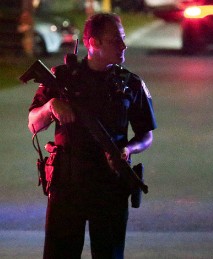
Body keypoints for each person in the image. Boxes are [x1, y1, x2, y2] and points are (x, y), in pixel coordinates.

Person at [27, 13, 157, 258]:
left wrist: (128, 149)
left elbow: (146, 135)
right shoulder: (61, 78)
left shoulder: (130, 84)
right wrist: (52, 106)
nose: (123, 46)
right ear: (93, 43)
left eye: (124, 39)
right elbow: (33, 123)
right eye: (115, 40)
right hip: (67, 183)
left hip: (110, 184)